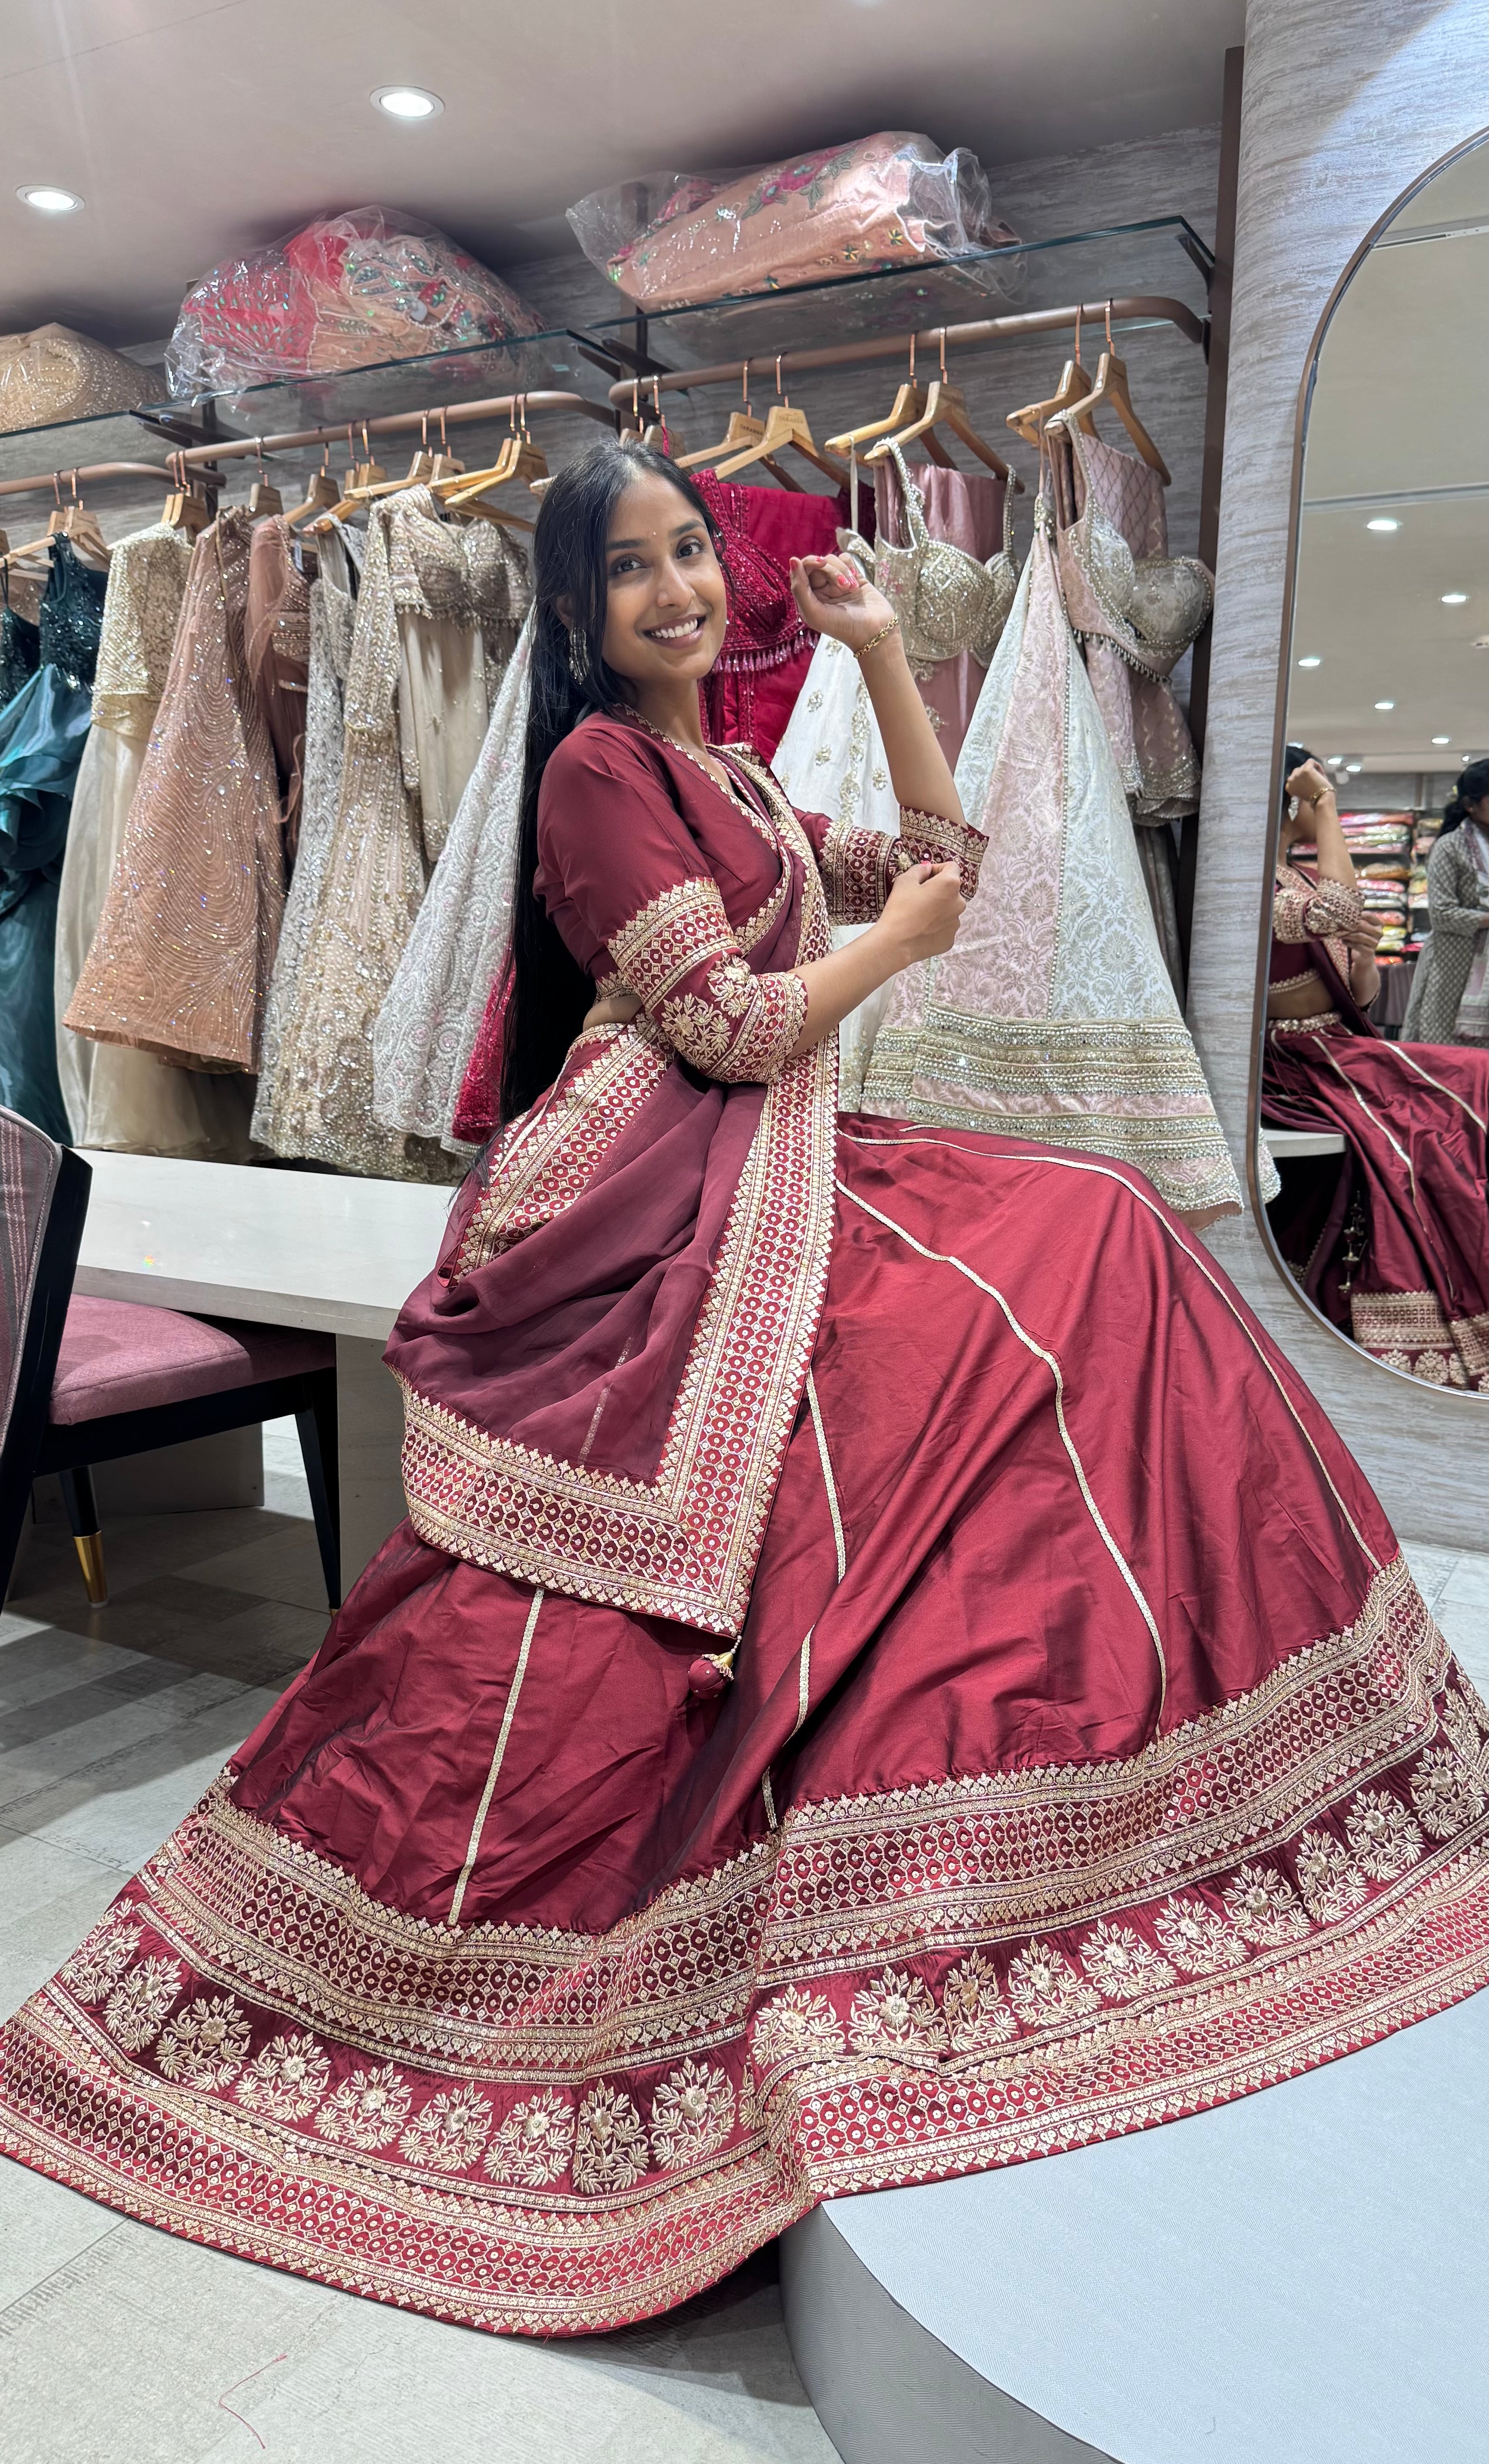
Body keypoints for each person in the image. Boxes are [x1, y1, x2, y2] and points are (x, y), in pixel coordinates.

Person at [3, 448, 1486, 2340]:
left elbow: (947, 871)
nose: (677, 588)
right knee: (1030, 1281)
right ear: (574, 610)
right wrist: (883, 949)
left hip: (773, 1146)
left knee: (1103, 1227)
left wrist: (877, 663)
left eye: (690, 551)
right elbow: (729, 1022)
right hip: (655, 1176)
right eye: (629, 569)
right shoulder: (592, 775)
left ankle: (1155, 1727)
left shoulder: (738, 774)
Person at [1264, 748, 1488, 1388]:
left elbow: (1356, 993)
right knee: (1457, 1091)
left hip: (1337, 1042)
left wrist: (1361, 959)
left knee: (1465, 1085)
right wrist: (1326, 805)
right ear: (1294, 800)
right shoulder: (1262, 882)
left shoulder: (1297, 880)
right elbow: (1334, 916)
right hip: (1295, 1056)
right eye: (1316, 795)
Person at [1401, 759, 1489, 1047]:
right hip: (1453, 962)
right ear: (1470, 805)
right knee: (1444, 1043)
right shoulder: (1449, 847)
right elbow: (1441, 914)